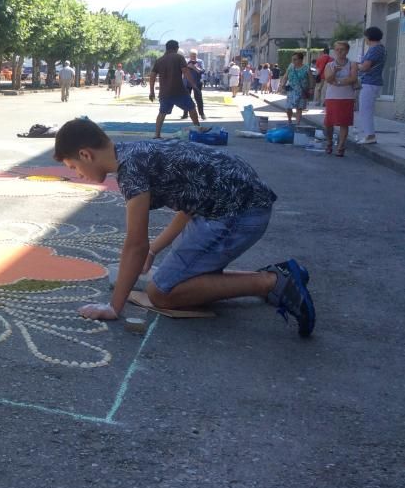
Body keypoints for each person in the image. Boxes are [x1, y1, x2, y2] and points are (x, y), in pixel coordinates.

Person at [52, 118, 315, 337]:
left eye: (74, 166)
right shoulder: (135, 150)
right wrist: (154, 251)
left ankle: (271, 283)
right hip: (236, 204)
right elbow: (188, 205)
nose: (77, 174)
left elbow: (135, 244)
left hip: (239, 214)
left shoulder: (130, 171)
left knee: (162, 292)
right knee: (178, 277)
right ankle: (278, 273)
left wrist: (113, 307)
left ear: (86, 154)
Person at [148, 39, 205, 139]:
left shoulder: (159, 60)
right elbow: (186, 72)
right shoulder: (179, 57)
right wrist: (194, 85)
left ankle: (157, 135)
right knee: (192, 108)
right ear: (176, 48)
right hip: (179, 91)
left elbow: (152, 77)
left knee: (162, 113)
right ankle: (198, 129)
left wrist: (152, 92)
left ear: (166, 48)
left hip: (164, 93)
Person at [323, 41, 357, 157]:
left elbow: (352, 78)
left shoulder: (352, 64)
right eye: (337, 49)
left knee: (344, 123)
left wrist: (337, 81)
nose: (339, 52)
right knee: (328, 123)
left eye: (342, 49)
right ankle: (329, 142)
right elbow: (328, 79)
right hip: (332, 97)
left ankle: (341, 146)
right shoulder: (330, 65)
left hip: (347, 97)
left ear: (347, 51)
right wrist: (335, 72)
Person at [356, 26, 385, 145]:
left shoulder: (374, 49)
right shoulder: (380, 48)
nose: (365, 40)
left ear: (369, 37)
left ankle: (370, 136)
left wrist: (356, 66)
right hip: (373, 82)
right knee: (366, 109)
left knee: (365, 110)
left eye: (365, 37)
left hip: (370, 82)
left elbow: (365, 67)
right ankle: (369, 134)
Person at [283, 52, 312, 127]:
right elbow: (286, 76)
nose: (293, 61)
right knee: (288, 107)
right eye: (292, 59)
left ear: (301, 60)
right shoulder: (291, 66)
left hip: (302, 91)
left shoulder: (306, 68)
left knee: (299, 108)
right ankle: (289, 121)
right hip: (291, 90)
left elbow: (311, 78)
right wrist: (282, 84)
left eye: (295, 59)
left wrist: (311, 88)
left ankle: (297, 124)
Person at [180, 51, 206, 120]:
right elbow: (181, 70)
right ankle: (185, 114)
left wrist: (194, 67)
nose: (193, 56)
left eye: (194, 55)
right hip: (187, 83)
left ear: (196, 55)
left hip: (197, 83)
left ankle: (202, 114)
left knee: (198, 98)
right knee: (186, 98)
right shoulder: (186, 61)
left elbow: (202, 71)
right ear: (189, 55)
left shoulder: (200, 62)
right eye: (192, 55)